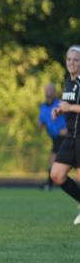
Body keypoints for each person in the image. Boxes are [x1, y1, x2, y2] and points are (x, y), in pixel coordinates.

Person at [50, 45, 80, 225]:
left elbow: (73, 107)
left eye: (76, 60)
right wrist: (60, 110)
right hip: (71, 137)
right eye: (69, 59)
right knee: (56, 175)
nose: (71, 63)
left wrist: (69, 108)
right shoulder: (68, 82)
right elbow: (68, 106)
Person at [38, 83, 67, 190]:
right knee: (53, 160)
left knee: (54, 159)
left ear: (54, 92)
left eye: (51, 90)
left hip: (64, 137)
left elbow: (71, 116)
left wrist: (68, 128)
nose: (49, 92)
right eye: (47, 90)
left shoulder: (60, 104)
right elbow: (41, 123)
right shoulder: (43, 107)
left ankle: (49, 184)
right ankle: (49, 183)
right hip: (55, 138)